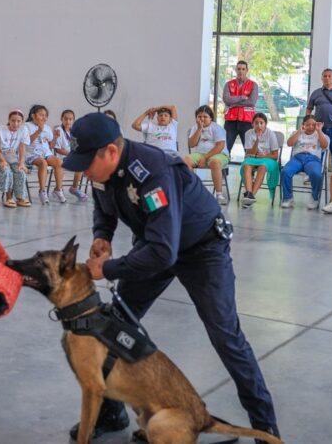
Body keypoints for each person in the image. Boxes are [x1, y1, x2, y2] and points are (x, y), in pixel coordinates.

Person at [63, 112, 281, 442]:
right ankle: (113, 412)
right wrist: (101, 234)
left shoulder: (151, 171)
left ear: (110, 151)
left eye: (86, 161)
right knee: (115, 322)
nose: (82, 170)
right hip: (155, 244)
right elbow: (104, 207)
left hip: (201, 250)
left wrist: (107, 269)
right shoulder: (101, 171)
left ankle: (265, 428)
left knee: (226, 336)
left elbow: (164, 253)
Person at [280, 114, 329, 209]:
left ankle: (314, 198)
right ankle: (288, 198)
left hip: (313, 159)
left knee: (316, 174)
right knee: (285, 171)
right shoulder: (297, 132)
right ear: (303, 124)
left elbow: (324, 146)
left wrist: (319, 131)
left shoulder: (319, 134)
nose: (311, 127)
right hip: (298, 158)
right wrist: (299, 131)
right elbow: (289, 143)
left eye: (313, 125)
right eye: (308, 124)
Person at [184, 105, 230, 205]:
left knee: (215, 162)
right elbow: (191, 144)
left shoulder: (216, 128)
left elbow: (220, 146)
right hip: (199, 154)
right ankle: (193, 190)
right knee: (185, 161)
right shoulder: (195, 127)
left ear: (211, 118)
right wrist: (199, 129)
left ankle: (219, 195)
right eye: (199, 117)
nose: (202, 119)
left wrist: (205, 157)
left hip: (219, 154)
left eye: (205, 116)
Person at [24, 104, 65, 204]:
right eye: (41, 115)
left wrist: (55, 138)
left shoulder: (47, 127)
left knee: (59, 162)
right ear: (33, 116)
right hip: (32, 154)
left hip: (46, 153)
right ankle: (42, 191)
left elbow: (51, 145)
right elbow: (26, 142)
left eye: (45, 115)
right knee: (43, 163)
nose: (44, 117)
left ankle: (58, 189)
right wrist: (39, 131)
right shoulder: (26, 126)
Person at [240, 113, 282, 207]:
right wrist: (257, 140)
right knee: (246, 165)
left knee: (262, 167)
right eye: (256, 123)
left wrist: (264, 155)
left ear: (265, 124)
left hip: (268, 159)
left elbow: (275, 155)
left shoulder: (270, 134)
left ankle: (250, 195)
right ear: (252, 124)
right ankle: (249, 195)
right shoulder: (248, 133)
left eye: (261, 123)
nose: (259, 125)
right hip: (253, 158)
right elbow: (249, 153)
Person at [222, 61, 261, 158]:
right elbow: (226, 99)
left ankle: (249, 172)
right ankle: (223, 172)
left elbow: (251, 102)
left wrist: (233, 103)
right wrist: (241, 97)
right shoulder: (228, 84)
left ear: (247, 71)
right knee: (225, 149)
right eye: (238, 69)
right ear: (236, 70)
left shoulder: (253, 85)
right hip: (230, 121)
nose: (241, 71)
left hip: (247, 121)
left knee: (249, 150)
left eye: (243, 69)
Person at [0, 110, 30, 208]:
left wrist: (22, 163)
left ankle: (20, 198)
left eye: (18, 121)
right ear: (9, 120)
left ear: (22, 122)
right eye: (13, 120)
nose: (15, 123)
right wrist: (3, 161)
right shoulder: (1, 130)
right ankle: (8, 197)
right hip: (1, 158)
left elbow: (22, 148)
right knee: (7, 171)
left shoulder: (24, 130)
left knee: (21, 172)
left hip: (15, 159)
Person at [54, 109, 87, 201]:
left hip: (72, 157)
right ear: (61, 119)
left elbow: (75, 147)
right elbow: (57, 149)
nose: (68, 121)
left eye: (70, 119)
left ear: (73, 120)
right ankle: (67, 188)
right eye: (66, 119)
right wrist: (71, 154)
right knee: (79, 164)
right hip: (61, 157)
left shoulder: (74, 131)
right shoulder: (58, 130)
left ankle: (74, 187)